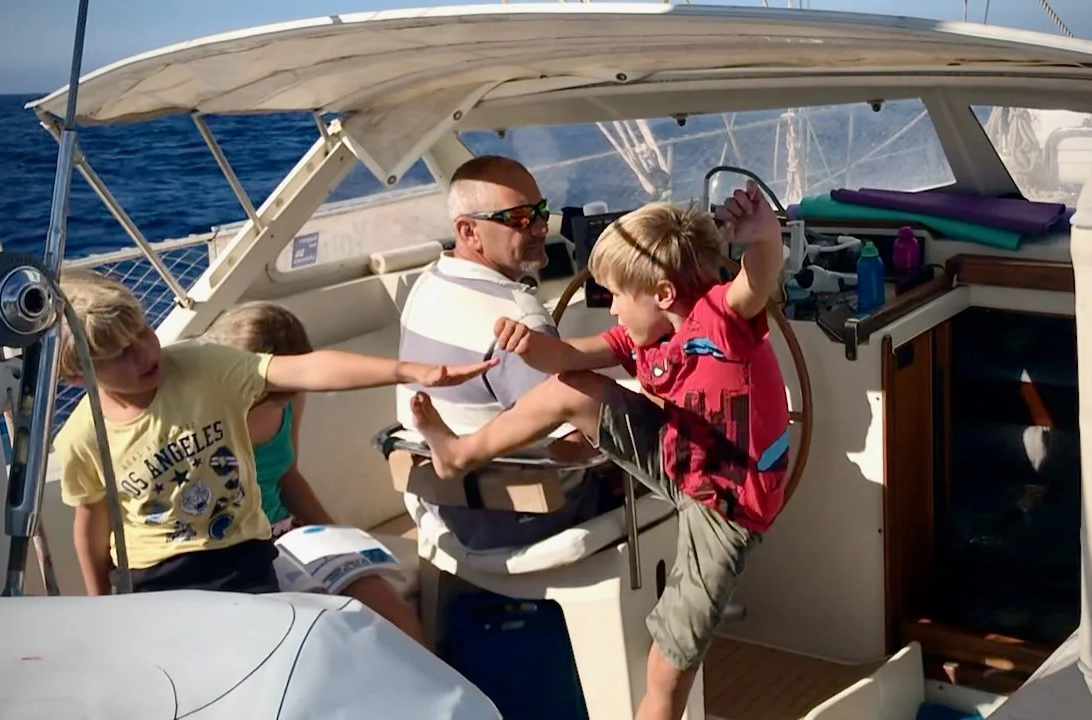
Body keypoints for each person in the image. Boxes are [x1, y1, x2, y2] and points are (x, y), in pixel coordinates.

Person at [409, 182, 791, 720]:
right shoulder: (639, 338)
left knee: (667, 667)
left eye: (615, 295)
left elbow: (757, 280)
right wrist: (525, 342)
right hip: (680, 456)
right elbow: (564, 356)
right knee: (572, 386)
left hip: (727, 507)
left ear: (661, 295)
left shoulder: (721, 321)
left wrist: (764, 236)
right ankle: (459, 453)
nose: (610, 309)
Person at [53, 269, 495, 598]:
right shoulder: (82, 439)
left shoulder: (202, 366)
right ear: (78, 377)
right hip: (158, 579)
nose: (145, 352)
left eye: (144, 332)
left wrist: (411, 371)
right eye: (120, 354)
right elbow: (92, 527)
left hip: (244, 555)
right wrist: (102, 607)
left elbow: (304, 368)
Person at [395, 154, 615, 551]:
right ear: (469, 231)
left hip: (440, 509)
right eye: (519, 218)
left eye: (540, 210)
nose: (540, 226)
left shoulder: (427, 285)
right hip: (524, 519)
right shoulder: (518, 319)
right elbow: (570, 446)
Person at [202, 301, 426, 646]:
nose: (284, 399)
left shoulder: (289, 396)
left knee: (394, 619)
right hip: (234, 550)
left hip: (290, 534)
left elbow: (287, 474)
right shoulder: (201, 414)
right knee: (325, 636)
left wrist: (339, 535)